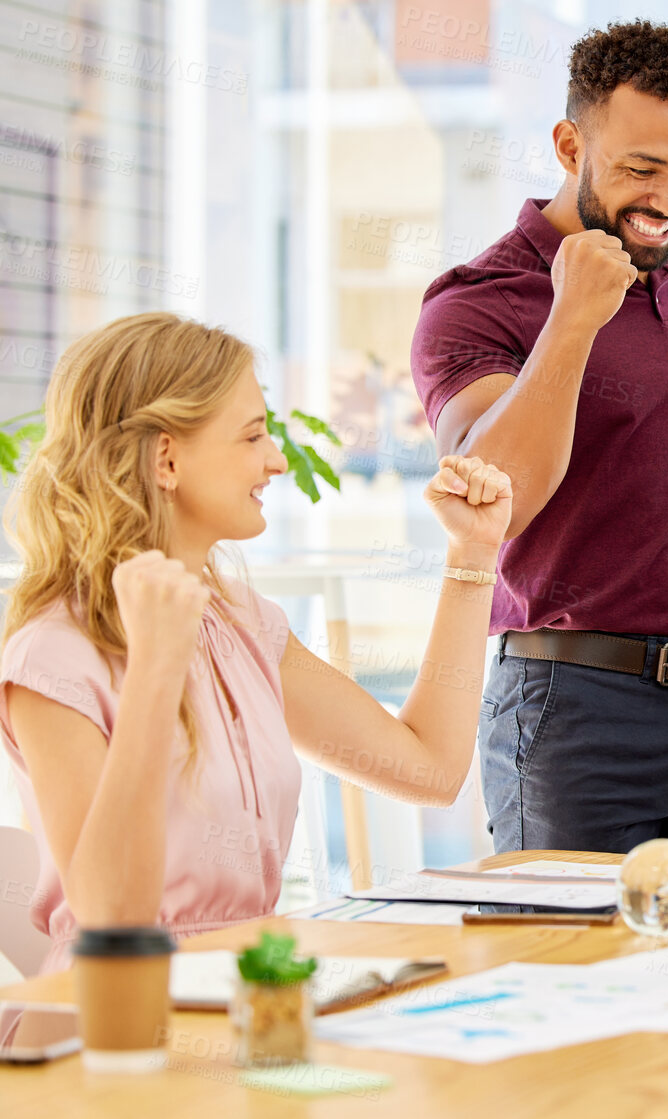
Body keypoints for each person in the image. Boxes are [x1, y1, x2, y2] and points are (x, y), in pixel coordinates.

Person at [410, 21, 668, 859]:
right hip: (574, 712)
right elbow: (493, 497)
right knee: (577, 971)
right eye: (642, 170)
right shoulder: (476, 302)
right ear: (570, 144)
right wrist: (572, 318)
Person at [0, 313, 511, 974]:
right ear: (166, 458)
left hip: (252, 989)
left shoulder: (243, 623)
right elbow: (108, 915)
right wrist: (156, 664)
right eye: (251, 435)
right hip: (113, 1017)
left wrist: (472, 555)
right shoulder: (54, 653)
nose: (275, 459)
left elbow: (431, 769)